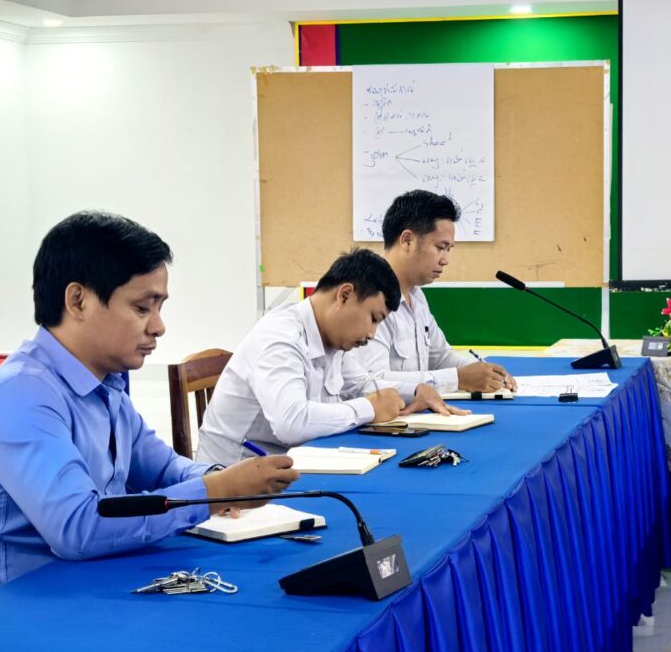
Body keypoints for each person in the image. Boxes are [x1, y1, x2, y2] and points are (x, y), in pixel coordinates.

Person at [0, 212, 299, 608]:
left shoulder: (106, 385)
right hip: (6, 615)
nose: (159, 327)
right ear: (78, 301)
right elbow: (77, 528)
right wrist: (216, 492)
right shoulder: (19, 396)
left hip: (81, 590)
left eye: (159, 308)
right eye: (143, 308)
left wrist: (223, 481)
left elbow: (164, 469)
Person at [196, 248, 463, 467]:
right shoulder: (280, 337)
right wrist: (368, 409)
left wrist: (415, 391)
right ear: (344, 295)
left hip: (292, 465)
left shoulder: (332, 339)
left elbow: (361, 385)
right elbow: (291, 422)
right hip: (234, 483)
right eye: (373, 318)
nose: (372, 334)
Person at [353, 189, 516, 394]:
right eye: (440, 247)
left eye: (449, 249)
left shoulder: (416, 296)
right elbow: (372, 382)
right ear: (407, 241)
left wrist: (486, 373)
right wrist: (457, 379)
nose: (445, 260)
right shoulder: (368, 297)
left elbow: (440, 357)